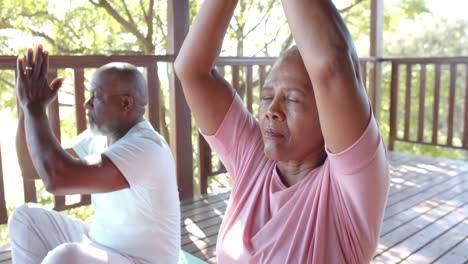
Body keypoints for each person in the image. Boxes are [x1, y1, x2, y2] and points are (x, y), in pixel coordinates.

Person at [175, 0, 389, 263]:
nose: (272, 110)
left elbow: (332, 65)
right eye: (266, 97)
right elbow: (191, 70)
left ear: (329, 115)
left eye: (293, 99)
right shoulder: (252, 160)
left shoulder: (348, 191)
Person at [8, 45, 181, 264]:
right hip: (99, 244)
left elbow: (57, 178)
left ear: (125, 103)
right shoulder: (97, 137)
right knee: (25, 218)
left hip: (140, 261)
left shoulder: (147, 148)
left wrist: (35, 107)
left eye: (96, 96)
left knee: (65, 257)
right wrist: (27, 108)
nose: (86, 103)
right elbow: (31, 168)